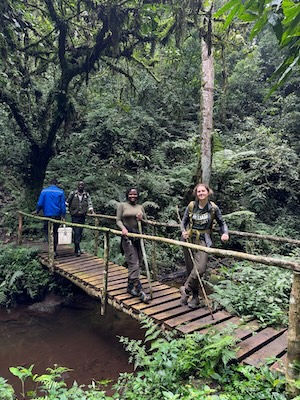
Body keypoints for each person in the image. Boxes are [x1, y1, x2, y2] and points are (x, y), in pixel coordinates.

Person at [180, 183, 229, 309]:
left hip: (204, 241)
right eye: (198, 191)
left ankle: (185, 290)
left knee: (199, 269)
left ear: (208, 192)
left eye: (203, 191)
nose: (201, 193)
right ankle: (195, 298)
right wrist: (183, 231)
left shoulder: (213, 208)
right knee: (191, 269)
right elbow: (183, 222)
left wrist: (225, 233)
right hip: (189, 240)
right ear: (196, 194)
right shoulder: (191, 206)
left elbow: (222, 222)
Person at [116, 187, 150, 304]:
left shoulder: (140, 207)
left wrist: (142, 219)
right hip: (127, 238)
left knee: (138, 261)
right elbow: (118, 220)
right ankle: (140, 291)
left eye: (135, 194)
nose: (133, 196)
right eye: (131, 194)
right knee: (133, 263)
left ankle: (129, 288)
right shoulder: (122, 205)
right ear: (127, 195)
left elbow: (146, 222)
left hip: (138, 237)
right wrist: (123, 229)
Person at [36, 178, 66, 257]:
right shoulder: (60, 192)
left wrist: (37, 211)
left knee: (47, 231)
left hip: (47, 214)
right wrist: (63, 215)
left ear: (50, 183)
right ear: (57, 184)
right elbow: (62, 205)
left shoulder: (44, 191)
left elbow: (40, 203)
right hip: (57, 215)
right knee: (55, 232)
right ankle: (54, 250)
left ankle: (50, 246)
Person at [66, 181, 95, 256]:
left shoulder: (86, 195)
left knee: (80, 232)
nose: (81, 186)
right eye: (79, 185)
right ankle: (77, 249)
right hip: (74, 215)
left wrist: (91, 211)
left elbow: (89, 203)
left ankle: (77, 248)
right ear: (77, 186)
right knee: (76, 232)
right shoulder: (73, 194)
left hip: (82, 215)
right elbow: (67, 202)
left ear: (84, 186)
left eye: (82, 185)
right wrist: (65, 212)